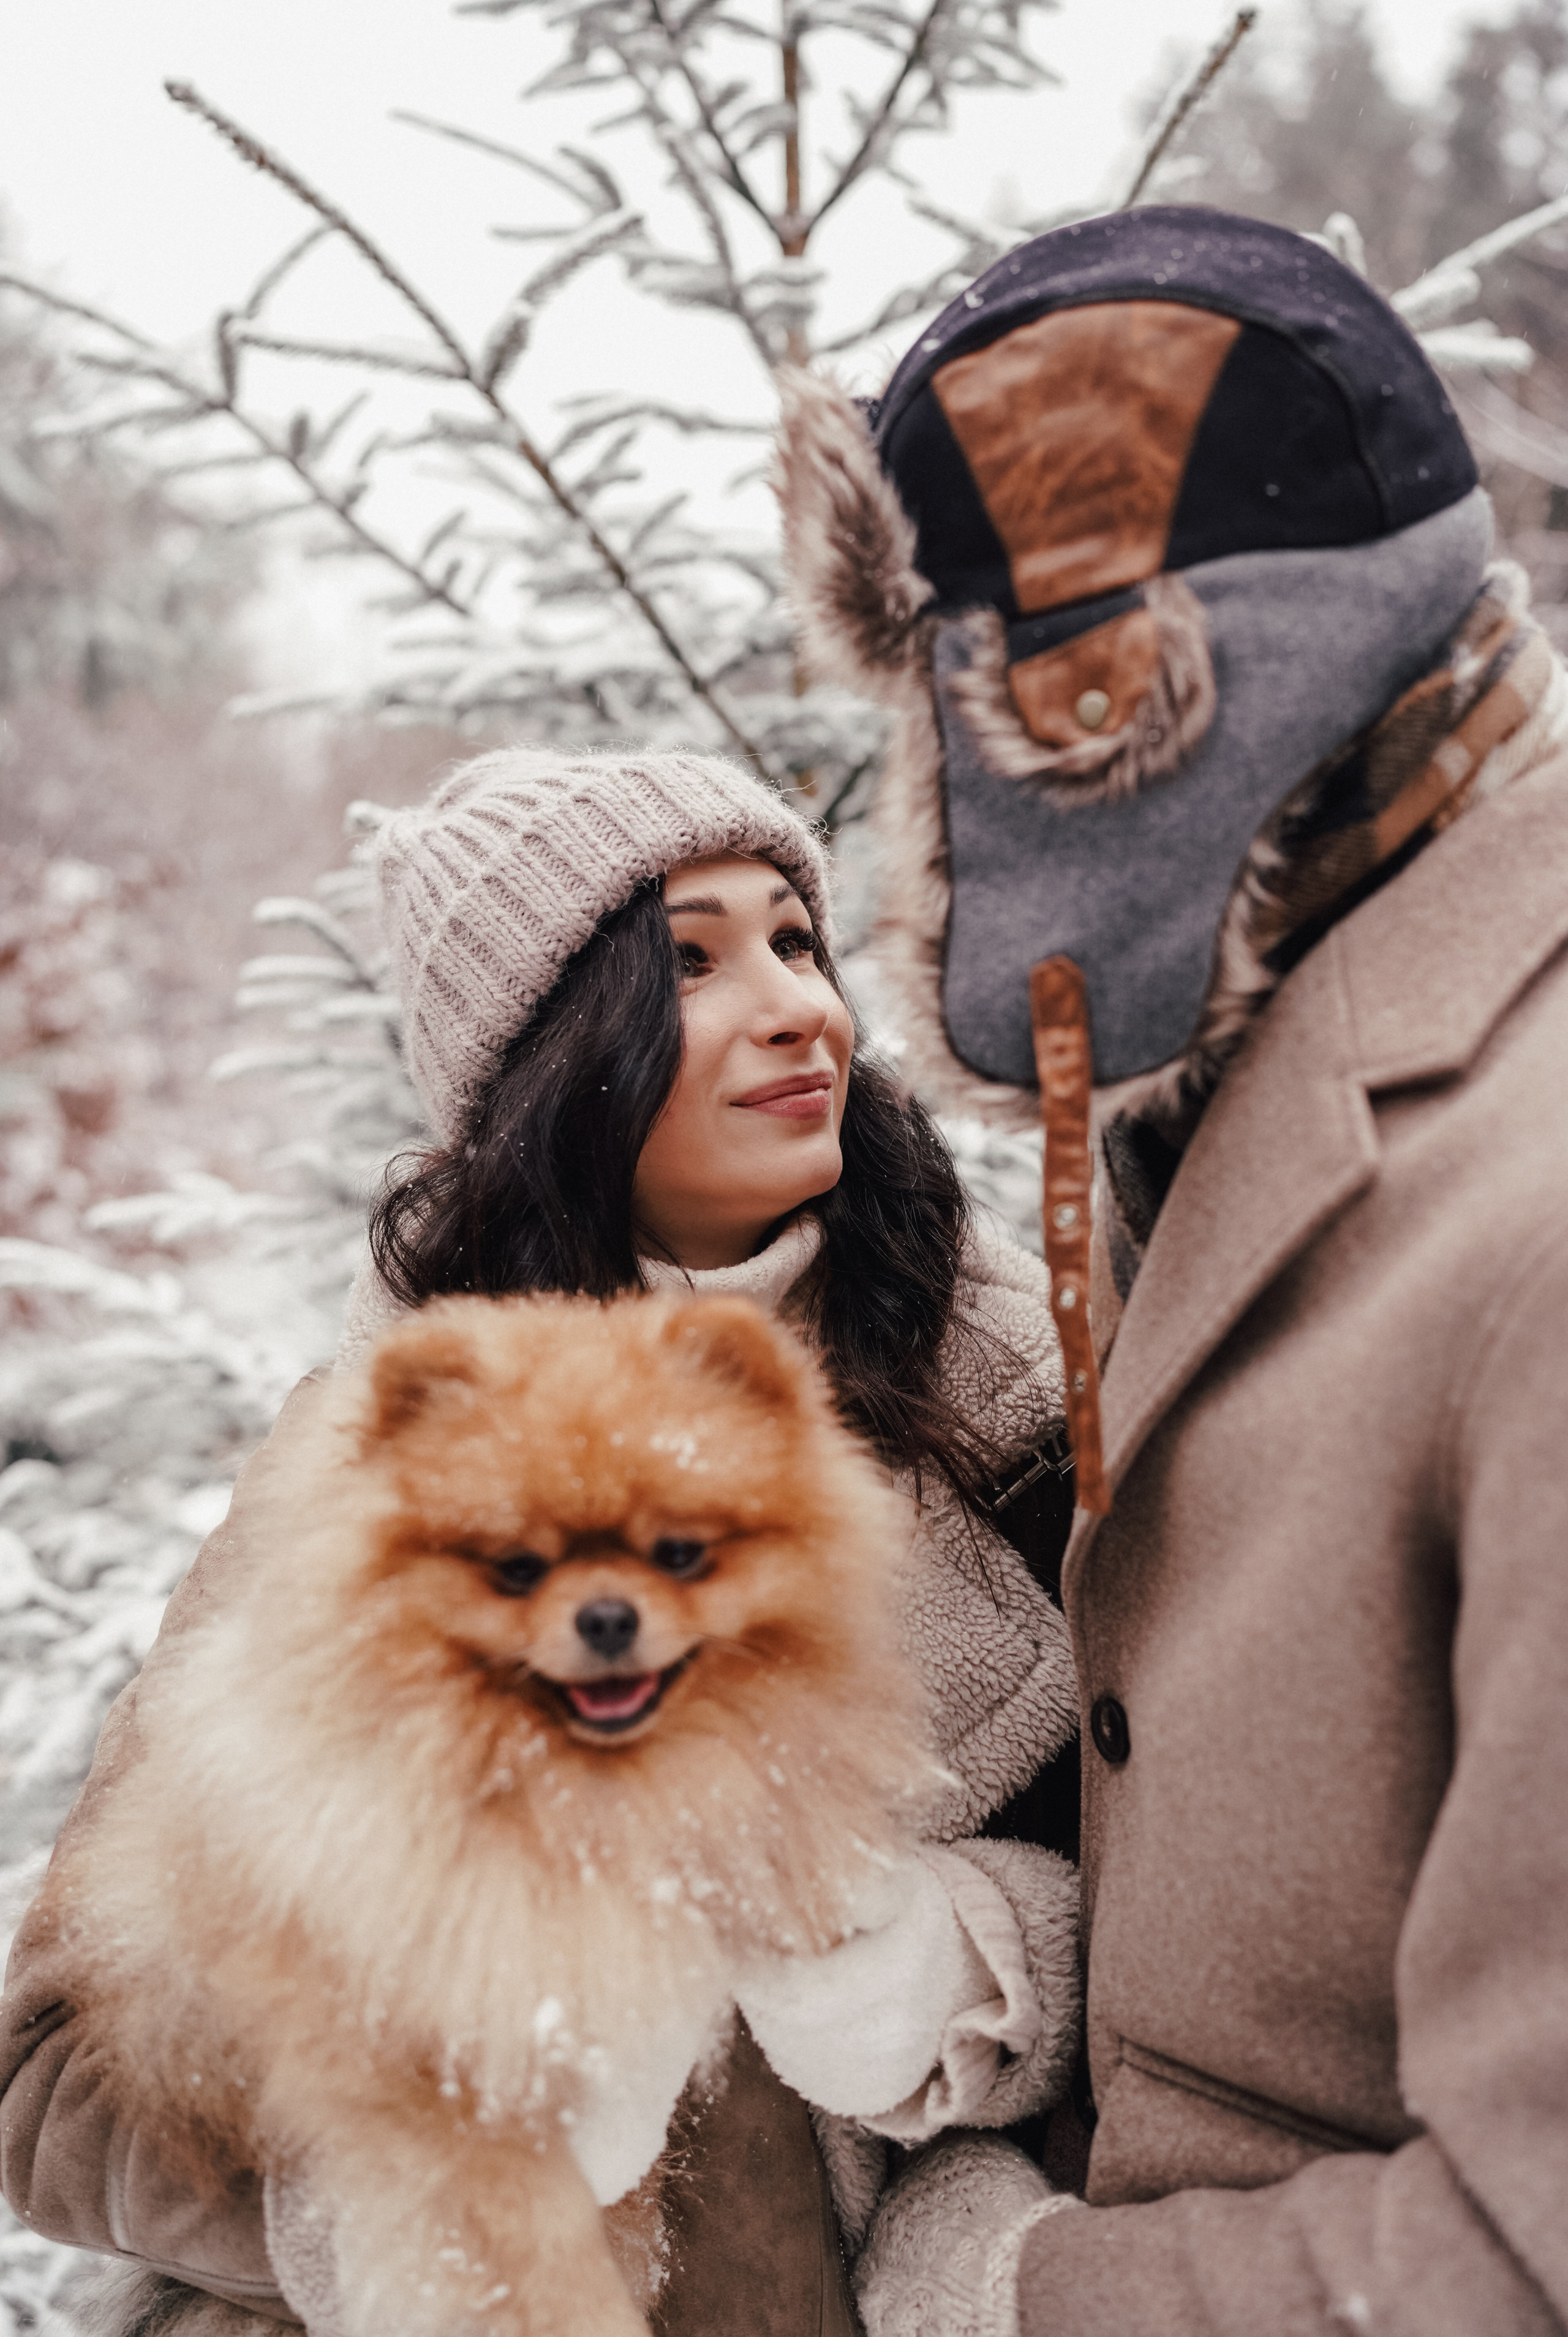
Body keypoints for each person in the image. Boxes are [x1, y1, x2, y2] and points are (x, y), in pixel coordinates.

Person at [0, 747, 1086, 2337]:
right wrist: (443, 2170)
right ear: (563, 1057)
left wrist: (969, 1969)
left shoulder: (1040, 1412)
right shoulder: (375, 1476)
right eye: (694, 963)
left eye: (799, 942)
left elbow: (1237, 1951)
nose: (796, 1005)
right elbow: (48, 2097)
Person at [778, 203, 1568, 2333]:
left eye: (950, 715)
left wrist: (1017, 2292)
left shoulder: (1536, 1227)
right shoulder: (1259, 1073)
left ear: (1125, 714)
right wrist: (998, 1983)